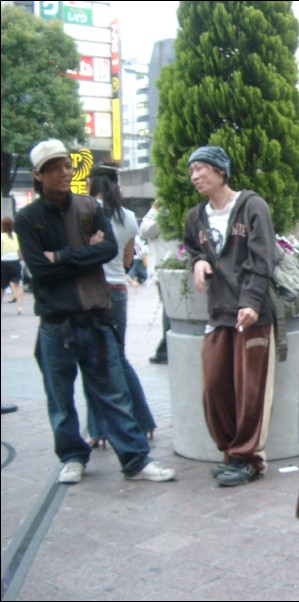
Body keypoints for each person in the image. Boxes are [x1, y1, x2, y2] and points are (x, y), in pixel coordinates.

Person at [15, 139, 175, 484]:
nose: (62, 172)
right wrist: (79, 255)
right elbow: (39, 272)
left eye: (66, 166)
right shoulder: (28, 218)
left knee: (114, 392)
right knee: (60, 398)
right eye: (53, 167)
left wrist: (59, 256)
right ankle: (72, 456)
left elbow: (106, 251)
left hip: (96, 315)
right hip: (56, 323)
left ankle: (135, 459)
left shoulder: (88, 207)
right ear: (38, 175)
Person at [183, 145, 278, 488]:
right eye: (191, 171)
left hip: (253, 314)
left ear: (221, 171)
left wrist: (251, 301)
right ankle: (232, 452)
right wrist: (197, 261)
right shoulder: (196, 217)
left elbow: (263, 257)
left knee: (251, 389)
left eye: (201, 169)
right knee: (215, 386)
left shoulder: (252, 206)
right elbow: (192, 246)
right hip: (218, 311)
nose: (195, 176)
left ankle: (248, 458)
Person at [83, 163, 157, 448]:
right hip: (117, 291)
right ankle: (144, 419)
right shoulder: (127, 216)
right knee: (119, 358)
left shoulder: (86, 212)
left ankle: (97, 429)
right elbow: (128, 260)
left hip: (91, 291)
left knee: (92, 362)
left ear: (93, 185)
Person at [139, 200, 179, 364]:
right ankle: (165, 349)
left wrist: (155, 211)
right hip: (168, 267)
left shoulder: (164, 213)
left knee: (169, 310)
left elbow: (145, 230)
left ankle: (165, 350)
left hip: (168, 267)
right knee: (169, 308)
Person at [2, 216, 24, 315]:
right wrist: (20, 260)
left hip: (3, 262)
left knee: (1, 287)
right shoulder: (16, 236)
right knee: (17, 285)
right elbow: (20, 250)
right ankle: (19, 307)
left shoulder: (1, 236)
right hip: (15, 261)